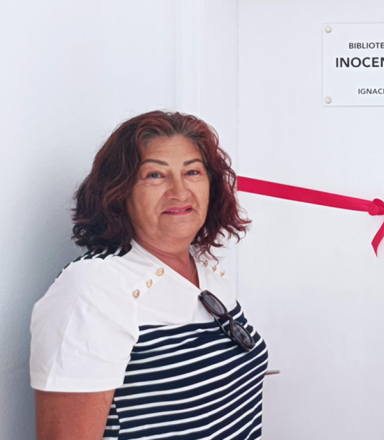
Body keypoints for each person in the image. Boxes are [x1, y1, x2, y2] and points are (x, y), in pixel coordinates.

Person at [30, 111, 268, 439]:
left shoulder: (208, 272)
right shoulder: (93, 288)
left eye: (192, 172)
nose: (179, 192)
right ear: (119, 192)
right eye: (155, 175)